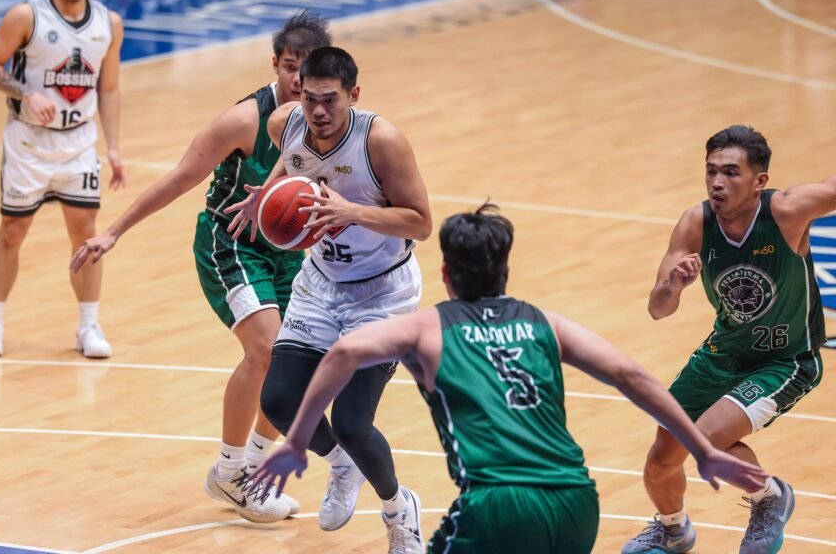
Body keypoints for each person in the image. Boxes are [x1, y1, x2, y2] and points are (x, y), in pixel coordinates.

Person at [249, 204, 769, 554]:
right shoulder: (546, 322)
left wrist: (297, 442)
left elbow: (343, 352)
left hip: (498, 505)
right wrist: (699, 447)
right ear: (506, 274)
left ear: (447, 276)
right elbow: (632, 375)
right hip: (576, 502)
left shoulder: (429, 327)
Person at [70, 11, 333, 522]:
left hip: (289, 250)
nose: (297, 80)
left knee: (293, 364)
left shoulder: (327, 119)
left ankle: (248, 474)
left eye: (306, 69)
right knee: (266, 351)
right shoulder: (243, 121)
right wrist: (113, 231)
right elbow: (178, 179)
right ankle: (233, 470)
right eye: (288, 67)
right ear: (274, 65)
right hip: (230, 243)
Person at [225, 46, 433, 552]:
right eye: (310, 99)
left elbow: (422, 223)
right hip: (320, 284)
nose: (318, 111)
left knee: (354, 421)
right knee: (278, 400)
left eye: (330, 101)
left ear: (353, 96)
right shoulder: (285, 124)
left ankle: (398, 509)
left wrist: (353, 212)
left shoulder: (381, 141)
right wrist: (268, 195)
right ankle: (341, 466)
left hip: (383, 293)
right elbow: (291, 167)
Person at [622, 125, 825, 554]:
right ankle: (673, 529)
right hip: (724, 353)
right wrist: (673, 285)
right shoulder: (696, 222)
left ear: (760, 182)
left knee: (707, 440)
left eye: (731, 173)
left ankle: (769, 498)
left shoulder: (786, 212)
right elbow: (658, 309)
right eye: (711, 171)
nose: (717, 182)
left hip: (785, 359)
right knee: (661, 461)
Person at [0, 0, 125, 359]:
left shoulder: (110, 23)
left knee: (86, 234)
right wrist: (25, 93)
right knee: (12, 230)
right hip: (29, 141)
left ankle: (88, 325)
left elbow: (108, 88)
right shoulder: (26, 16)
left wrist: (114, 147)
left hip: (79, 143)